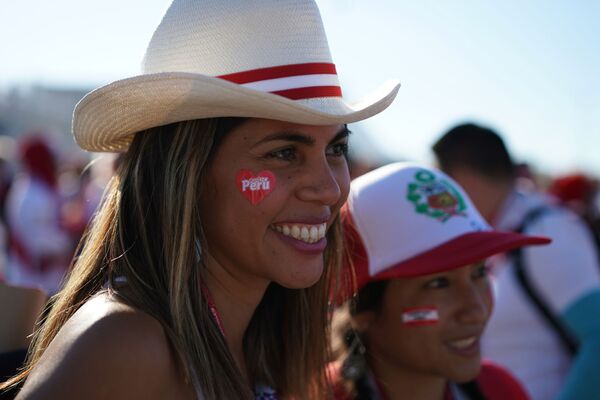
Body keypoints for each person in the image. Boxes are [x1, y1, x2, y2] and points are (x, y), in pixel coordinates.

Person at [0, 1, 400, 399]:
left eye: (336, 149)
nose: (329, 188)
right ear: (187, 173)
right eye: (283, 153)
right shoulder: (124, 343)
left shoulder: (269, 344)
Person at [330, 162, 549, 399]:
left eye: (479, 273)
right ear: (361, 308)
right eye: (439, 283)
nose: (476, 309)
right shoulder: (310, 394)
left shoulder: (501, 389)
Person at [432, 123, 600, 399]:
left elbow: (598, 336)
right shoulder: (506, 227)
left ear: (465, 179)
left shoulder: (548, 232)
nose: (437, 202)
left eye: (442, 187)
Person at [4, 135, 71, 295]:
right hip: (35, 281)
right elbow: (39, 244)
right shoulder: (33, 194)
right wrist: (67, 245)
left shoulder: (35, 186)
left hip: (41, 279)